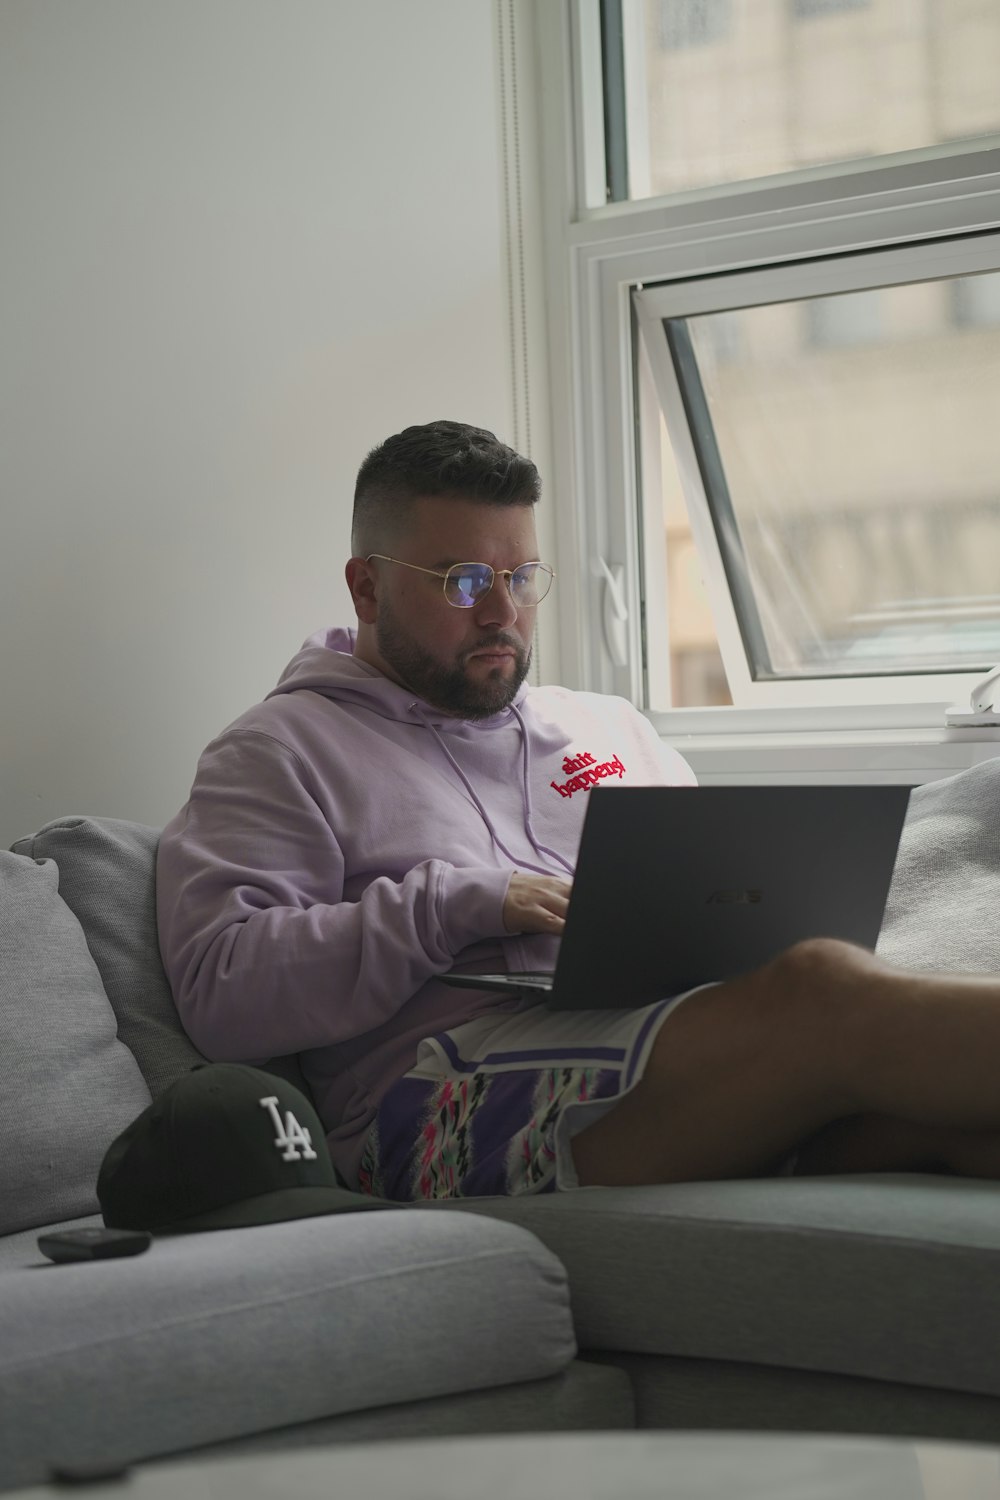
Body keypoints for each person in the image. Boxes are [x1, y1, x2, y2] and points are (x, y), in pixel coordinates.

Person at [157, 419, 1000, 1202]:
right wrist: (454, 903)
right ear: (366, 587)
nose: (503, 613)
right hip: (431, 1108)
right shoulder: (278, 751)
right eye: (464, 581)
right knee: (823, 993)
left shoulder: (605, 725)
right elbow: (219, 994)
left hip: (662, 1035)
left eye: (521, 577)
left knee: (939, 1127)